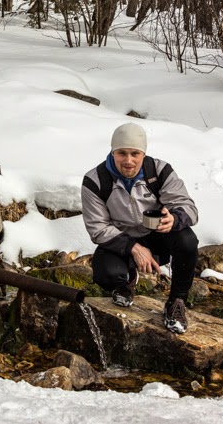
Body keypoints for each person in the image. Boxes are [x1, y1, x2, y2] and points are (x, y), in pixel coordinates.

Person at [81, 122, 199, 334]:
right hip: (121, 241)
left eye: (135, 153)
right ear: (113, 151)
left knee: (187, 240)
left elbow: (189, 208)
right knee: (107, 275)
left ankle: (176, 302)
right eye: (122, 153)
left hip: (157, 238)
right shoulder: (95, 180)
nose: (128, 161)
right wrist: (134, 248)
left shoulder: (159, 172)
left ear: (143, 153)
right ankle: (128, 280)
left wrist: (175, 219)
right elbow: (98, 228)